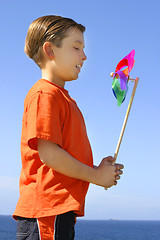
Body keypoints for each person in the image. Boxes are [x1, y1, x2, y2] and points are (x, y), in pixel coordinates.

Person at [13, 15, 124, 240]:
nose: (84, 56)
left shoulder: (63, 98)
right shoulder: (45, 94)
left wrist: (97, 169)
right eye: (76, 47)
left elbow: (62, 154)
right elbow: (50, 155)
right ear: (50, 50)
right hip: (47, 210)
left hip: (57, 211)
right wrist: (95, 175)